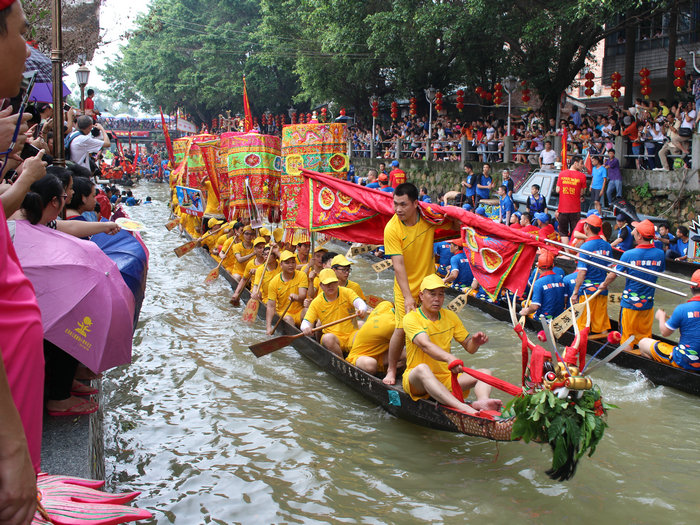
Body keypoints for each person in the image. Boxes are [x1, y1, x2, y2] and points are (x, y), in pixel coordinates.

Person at [401, 275, 502, 415]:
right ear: (421, 296)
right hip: (417, 381)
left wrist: (475, 342)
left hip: (446, 378)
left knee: (485, 373)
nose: (437, 299)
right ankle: (464, 408)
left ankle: (483, 401)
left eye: (441, 294)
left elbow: (469, 347)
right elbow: (425, 345)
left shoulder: (450, 316)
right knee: (422, 369)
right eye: (432, 294)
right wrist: (449, 358)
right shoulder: (411, 318)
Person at [382, 183, 439, 385]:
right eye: (395, 204)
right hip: (404, 285)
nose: (398, 209)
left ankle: (432, 369)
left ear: (416, 204)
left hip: (429, 285)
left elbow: (455, 223)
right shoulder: (392, 228)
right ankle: (391, 369)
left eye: (403, 204)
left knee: (432, 325)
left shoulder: (429, 219)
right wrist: (407, 297)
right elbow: (398, 267)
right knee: (402, 328)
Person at [599, 219, 665, 350]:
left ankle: (626, 360)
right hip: (647, 303)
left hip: (630, 304)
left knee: (627, 337)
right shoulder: (660, 254)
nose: (633, 231)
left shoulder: (629, 255)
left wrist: (604, 284)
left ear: (640, 236)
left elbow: (613, 274)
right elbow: (660, 271)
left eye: (635, 230)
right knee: (645, 336)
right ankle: (645, 357)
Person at [639, 269, 700, 371]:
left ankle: (656, 374)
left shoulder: (682, 309)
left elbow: (665, 333)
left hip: (684, 360)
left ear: (691, 287)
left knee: (643, 343)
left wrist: (661, 317)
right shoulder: (682, 310)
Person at [301, 269, 368, 357]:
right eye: (327, 284)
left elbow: (359, 302)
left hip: (351, 334)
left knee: (363, 327)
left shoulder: (347, 292)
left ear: (337, 282)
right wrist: (306, 328)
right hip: (334, 338)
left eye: (333, 283)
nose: (330, 286)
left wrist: (362, 309)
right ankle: (342, 361)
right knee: (327, 338)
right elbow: (306, 322)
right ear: (321, 285)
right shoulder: (316, 302)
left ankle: (354, 358)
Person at [570, 214, 613, 335]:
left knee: (583, 324)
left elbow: (582, 272)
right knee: (601, 322)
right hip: (602, 290)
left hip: (587, 292)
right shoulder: (607, 246)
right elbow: (610, 270)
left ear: (587, 227)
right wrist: (604, 284)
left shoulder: (585, 247)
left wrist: (575, 292)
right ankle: (605, 344)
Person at [346, 301, 396, 374]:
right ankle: (384, 370)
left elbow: (391, 303)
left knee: (405, 355)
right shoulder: (393, 325)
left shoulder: (385, 304)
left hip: (379, 353)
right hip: (360, 356)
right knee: (371, 364)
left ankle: (384, 369)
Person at [266, 250, 309, 334]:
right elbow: (270, 306)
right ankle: (295, 338)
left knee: (307, 311)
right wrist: (268, 327)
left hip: (299, 311)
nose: (291, 265)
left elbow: (302, 296)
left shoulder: (302, 275)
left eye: (293, 262)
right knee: (288, 319)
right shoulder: (274, 282)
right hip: (284, 313)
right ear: (281, 265)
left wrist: (297, 297)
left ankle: (309, 335)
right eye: (287, 263)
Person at [518, 251, 566, 320]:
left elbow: (535, 307)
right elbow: (565, 300)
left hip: (543, 319)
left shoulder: (538, 283)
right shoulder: (560, 279)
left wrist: (526, 311)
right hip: (559, 317)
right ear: (553, 265)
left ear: (538, 267)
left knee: (524, 304)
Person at [555, 155, 587, 245]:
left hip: (563, 209)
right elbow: (581, 192)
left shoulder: (562, 174)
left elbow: (557, 190)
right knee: (575, 232)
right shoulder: (582, 176)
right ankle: (573, 251)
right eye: (581, 163)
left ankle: (567, 253)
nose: (582, 165)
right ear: (575, 163)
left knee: (563, 232)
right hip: (575, 209)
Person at [230, 236, 267, 306]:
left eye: (264, 248)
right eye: (260, 248)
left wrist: (258, 270)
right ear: (255, 249)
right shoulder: (250, 264)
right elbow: (244, 279)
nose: (262, 250)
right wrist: (236, 293)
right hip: (256, 290)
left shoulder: (270, 262)